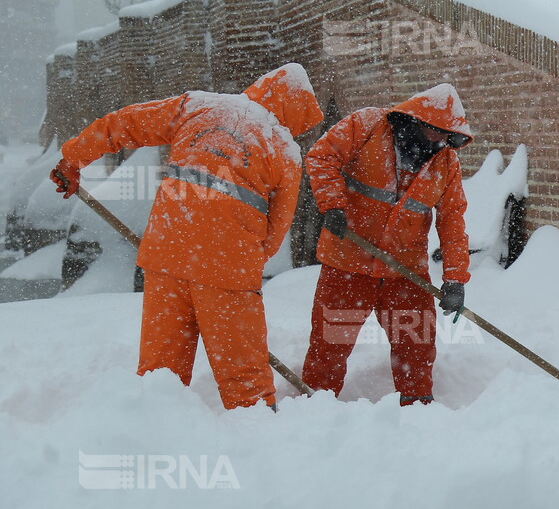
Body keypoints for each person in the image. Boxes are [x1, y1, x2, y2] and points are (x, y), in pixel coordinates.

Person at [49, 63, 323, 411]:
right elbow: (275, 233)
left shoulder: (197, 106)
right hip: (229, 271)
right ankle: (258, 443)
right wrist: (234, 263)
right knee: (245, 382)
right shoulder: (284, 149)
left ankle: (157, 433)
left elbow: (124, 124)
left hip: (165, 255)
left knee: (159, 374)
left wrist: (73, 158)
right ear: (294, 112)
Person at [301, 83, 473, 406]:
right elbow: (321, 157)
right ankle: (313, 408)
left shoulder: (445, 164)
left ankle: (418, 409)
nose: (442, 144)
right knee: (329, 344)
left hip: (405, 272)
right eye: (438, 134)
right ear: (420, 122)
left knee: (417, 344)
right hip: (348, 263)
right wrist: (333, 205)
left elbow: (453, 221)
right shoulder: (367, 126)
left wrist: (455, 278)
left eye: (449, 138)